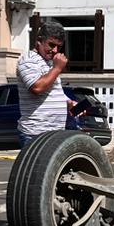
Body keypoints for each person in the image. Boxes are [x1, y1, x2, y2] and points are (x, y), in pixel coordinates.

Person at [16, 20, 72, 149]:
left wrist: (69, 103)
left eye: (59, 47)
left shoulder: (50, 63)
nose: (55, 50)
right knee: (36, 169)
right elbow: (37, 87)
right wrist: (57, 68)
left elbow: (52, 92)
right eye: (51, 45)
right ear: (39, 41)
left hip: (54, 133)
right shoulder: (28, 60)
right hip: (35, 134)